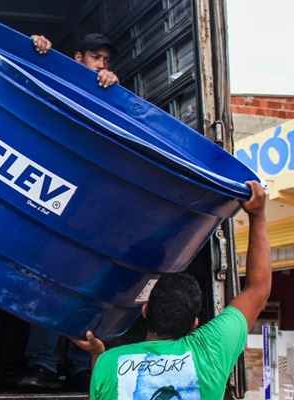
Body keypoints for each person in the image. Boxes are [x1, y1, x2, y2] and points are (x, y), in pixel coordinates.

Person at [72, 181, 270, 399]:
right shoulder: (211, 352)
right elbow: (258, 290)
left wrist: (98, 354)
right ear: (196, 324)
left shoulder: (109, 364)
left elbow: (105, 383)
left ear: (145, 310)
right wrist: (258, 215)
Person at [16, 32, 121, 392]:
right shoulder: (58, 72)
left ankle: (80, 366)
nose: (102, 65)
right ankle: (43, 365)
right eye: (96, 57)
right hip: (53, 198)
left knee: (85, 288)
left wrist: (111, 89)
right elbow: (29, 78)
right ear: (77, 58)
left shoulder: (109, 93)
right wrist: (40, 48)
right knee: (47, 282)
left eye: (107, 59)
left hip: (91, 209)